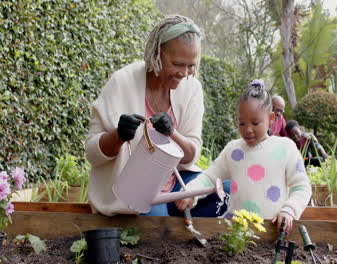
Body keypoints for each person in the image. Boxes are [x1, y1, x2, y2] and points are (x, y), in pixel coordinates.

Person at [85, 15, 229, 217]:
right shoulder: (122, 82)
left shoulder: (192, 88)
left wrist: (172, 133)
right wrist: (118, 135)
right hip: (133, 192)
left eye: (191, 65)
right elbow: (92, 154)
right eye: (178, 64)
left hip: (176, 184)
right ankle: (170, 220)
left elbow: (190, 156)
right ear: (156, 53)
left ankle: (175, 218)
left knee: (228, 191)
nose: (184, 73)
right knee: (158, 224)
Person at [176, 80, 312, 233]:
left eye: (255, 123)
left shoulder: (285, 148)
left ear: (271, 118)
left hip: (272, 233)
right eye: (241, 123)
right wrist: (190, 192)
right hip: (234, 233)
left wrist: (289, 210)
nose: (248, 130)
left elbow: (301, 187)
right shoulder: (233, 150)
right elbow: (209, 177)